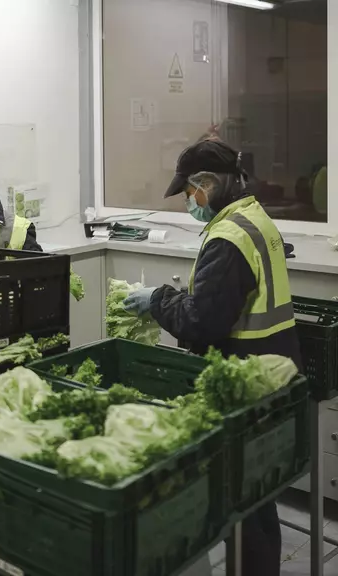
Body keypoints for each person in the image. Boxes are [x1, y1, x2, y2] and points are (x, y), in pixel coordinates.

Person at [124, 139, 301, 576]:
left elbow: (202, 323)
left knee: (242, 497)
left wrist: (158, 300)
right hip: (270, 371)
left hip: (243, 379)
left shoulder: (227, 237)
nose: (190, 202)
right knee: (257, 495)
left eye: (188, 193)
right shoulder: (254, 217)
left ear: (205, 184)